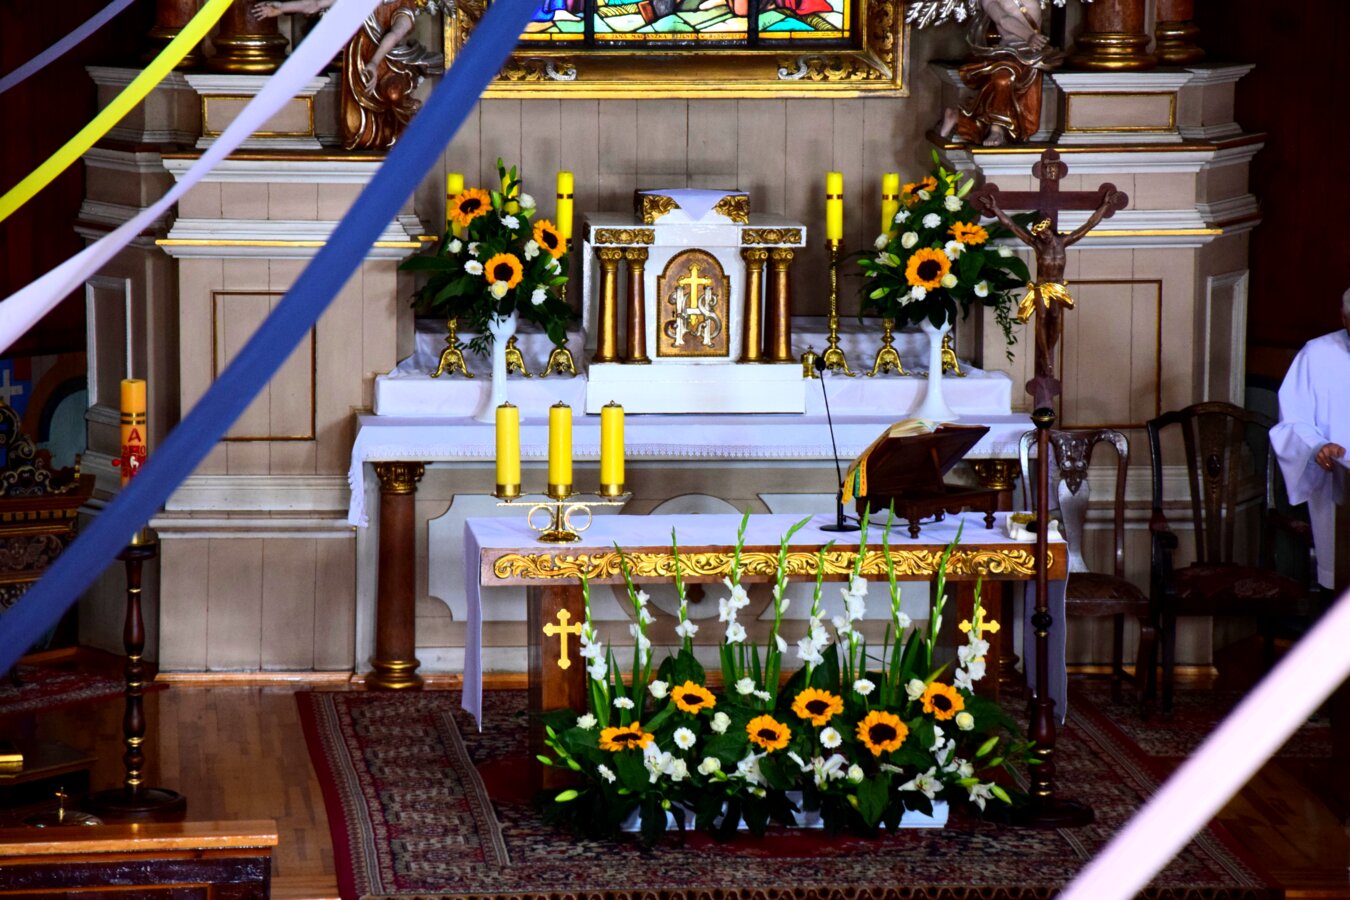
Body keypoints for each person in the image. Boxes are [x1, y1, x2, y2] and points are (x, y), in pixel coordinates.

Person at [251, 0, 442, 150]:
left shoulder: (404, 6)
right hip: (359, 61)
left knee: (393, 94)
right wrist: (281, 8)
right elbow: (316, 3)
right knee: (359, 130)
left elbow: (394, 34)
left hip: (387, 63)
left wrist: (374, 63)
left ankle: (411, 132)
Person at [1271, 289, 1350, 590]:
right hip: (1340, 488)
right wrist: (1318, 447)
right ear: (1344, 319)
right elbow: (1292, 423)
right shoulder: (1316, 355)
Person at [937, 0, 1064, 147]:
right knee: (1003, 77)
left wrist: (1033, 40)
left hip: (1034, 54)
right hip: (1009, 51)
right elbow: (1003, 19)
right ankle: (996, 129)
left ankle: (960, 118)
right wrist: (1029, 36)